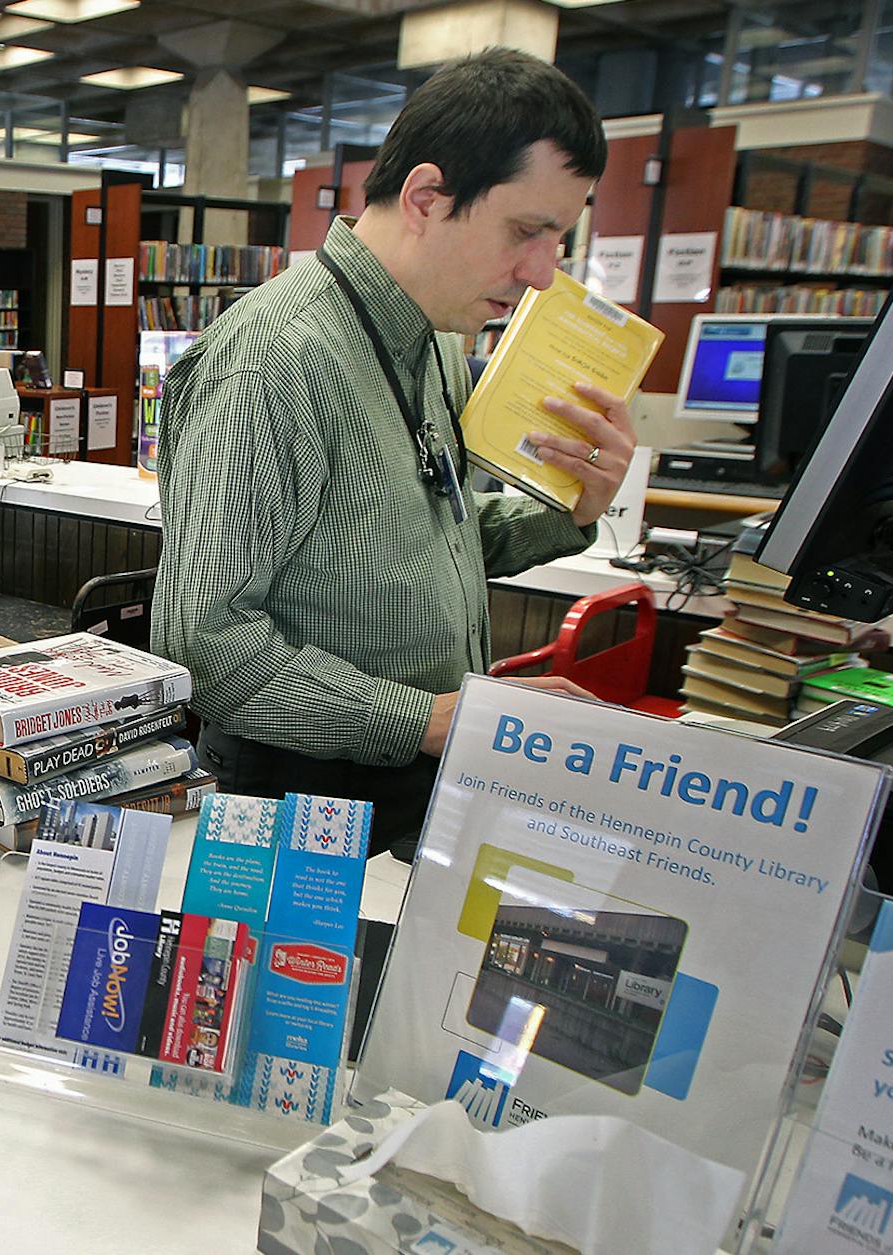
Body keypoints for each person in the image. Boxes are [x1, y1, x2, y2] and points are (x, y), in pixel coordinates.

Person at [151, 48, 632, 859]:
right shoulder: (274, 360)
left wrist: (568, 510)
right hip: (300, 804)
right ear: (425, 197)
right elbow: (207, 644)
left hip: (416, 784)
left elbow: (418, 539)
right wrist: (436, 719)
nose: (545, 275)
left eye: (559, 238)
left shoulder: (434, 343)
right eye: (527, 231)